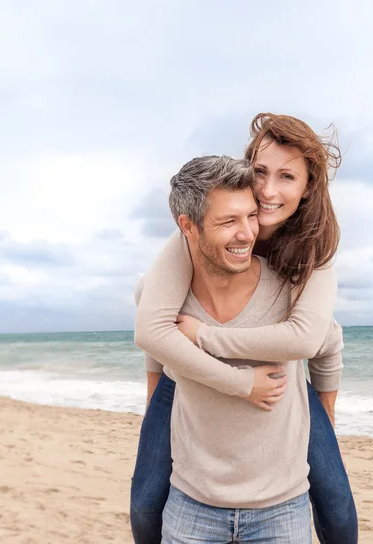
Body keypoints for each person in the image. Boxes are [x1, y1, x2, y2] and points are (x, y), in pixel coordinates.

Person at [131, 114, 358, 543]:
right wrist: (156, 387)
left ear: (307, 186)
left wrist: (324, 413)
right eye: (260, 172)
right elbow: (156, 318)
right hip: (182, 374)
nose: (269, 192)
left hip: (279, 376)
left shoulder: (314, 245)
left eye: (287, 176)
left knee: (336, 499)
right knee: (144, 501)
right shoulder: (197, 233)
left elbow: (317, 339)